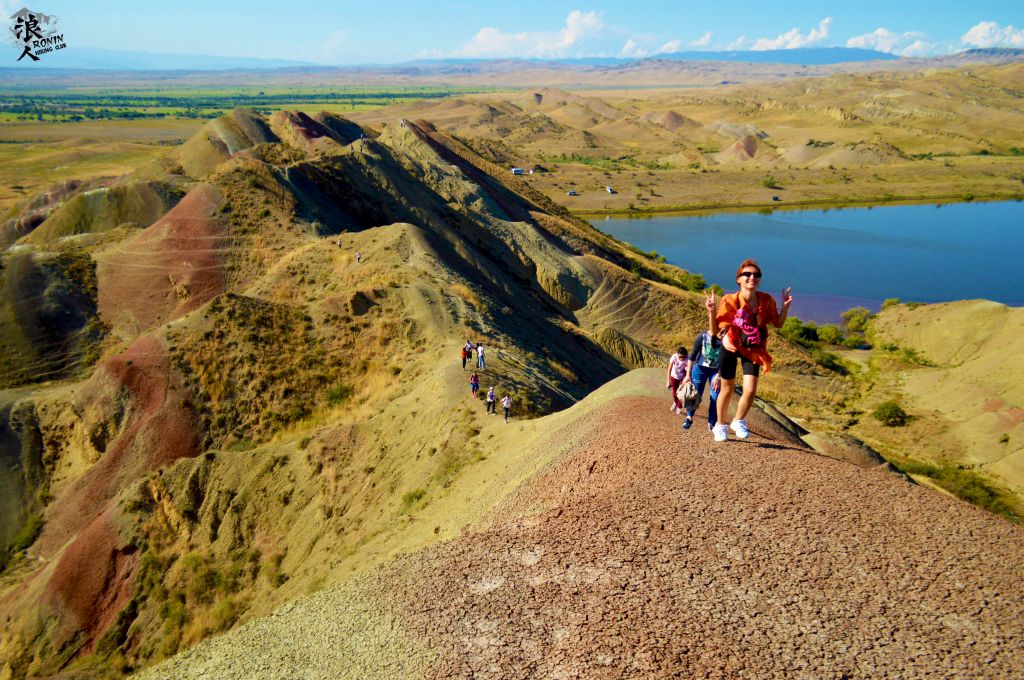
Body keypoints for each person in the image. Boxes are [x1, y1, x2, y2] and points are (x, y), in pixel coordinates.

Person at [713, 259, 792, 442]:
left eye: (756, 275)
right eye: (747, 274)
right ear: (738, 279)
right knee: (727, 389)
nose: (752, 277)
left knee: (750, 390)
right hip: (731, 346)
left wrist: (785, 307)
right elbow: (721, 326)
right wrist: (724, 334)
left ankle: (738, 421)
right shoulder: (730, 300)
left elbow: (778, 324)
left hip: (752, 348)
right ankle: (720, 425)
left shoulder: (766, 300)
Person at [682, 290, 722, 431]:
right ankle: (689, 417)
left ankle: (712, 423)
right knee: (695, 393)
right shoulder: (702, 337)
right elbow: (692, 356)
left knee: (715, 396)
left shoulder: (725, 340)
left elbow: (727, 359)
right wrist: (687, 375)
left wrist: (719, 375)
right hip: (700, 369)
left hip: (716, 371)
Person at [666, 345, 689, 414]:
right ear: (677, 354)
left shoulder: (688, 359)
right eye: (680, 357)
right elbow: (669, 369)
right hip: (674, 376)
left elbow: (689, 368)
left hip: (683, 377)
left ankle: (679, 407)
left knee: (681, 393)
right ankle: (675, 403)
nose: (681, 358)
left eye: (683, 357)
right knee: (674, 392)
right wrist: (668, 381)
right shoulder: (674, 357)